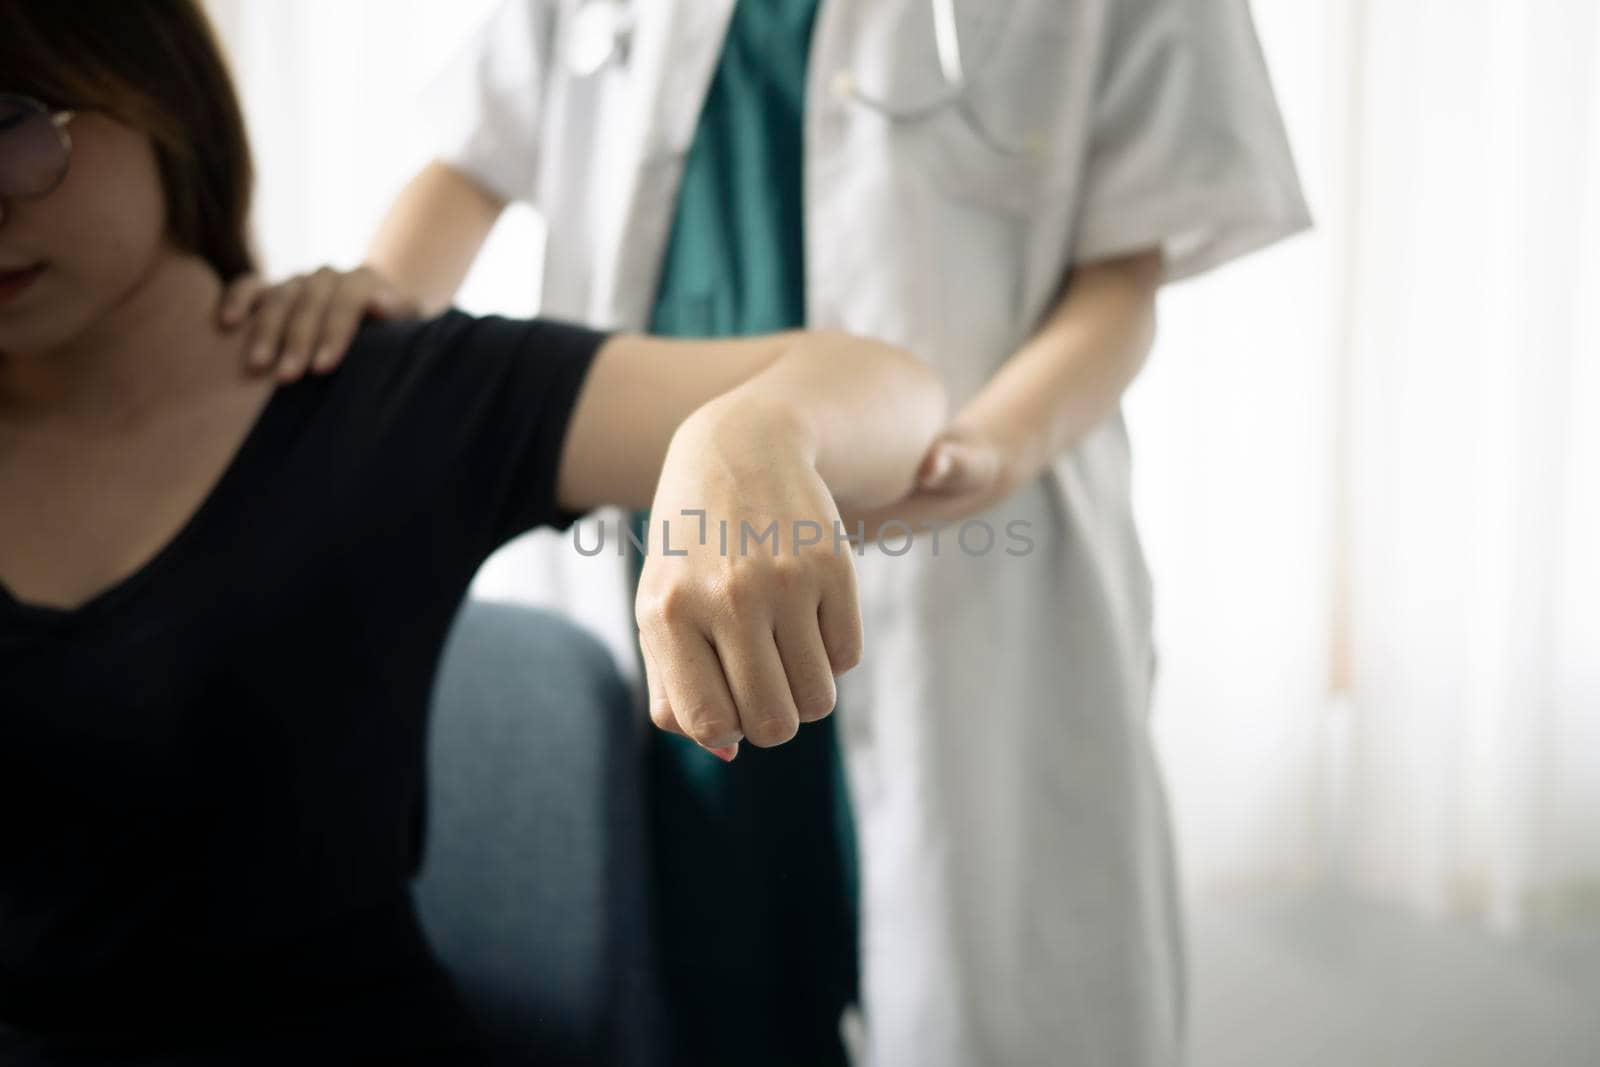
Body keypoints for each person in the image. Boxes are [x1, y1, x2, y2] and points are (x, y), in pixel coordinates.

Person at [230, 1, 1313, 1064]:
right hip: (660, 562)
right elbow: (475, 151)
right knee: (707, 977)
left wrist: (992, 447)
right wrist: (373, 323)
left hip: (962, 563)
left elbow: (1123, 269)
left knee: (973, 972)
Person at [0, 2, 949, 1064]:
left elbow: (895, 394)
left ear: (156, 94)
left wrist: (755, 430)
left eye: (16, 123)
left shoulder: (374, 397)